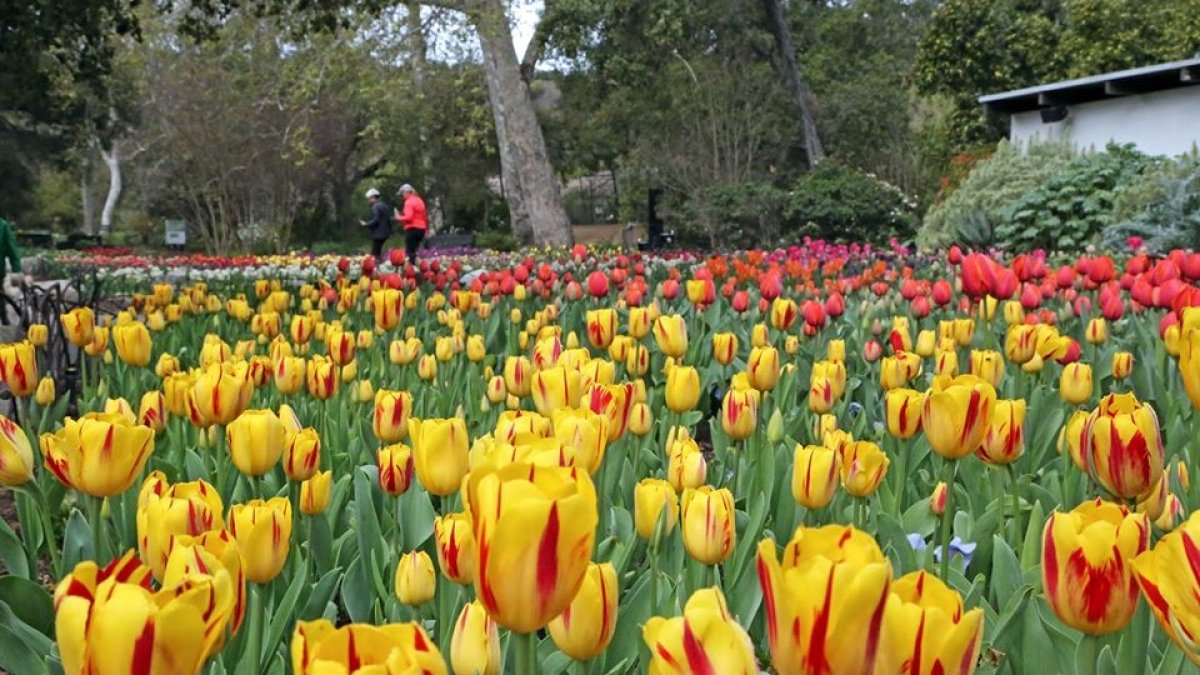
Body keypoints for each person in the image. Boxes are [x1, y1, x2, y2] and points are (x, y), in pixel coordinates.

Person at [394, 184, 427, 265]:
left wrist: (399, 217)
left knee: (410, 252)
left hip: (412, 229)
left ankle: (412, 270)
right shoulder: (419, 200)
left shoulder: (408, 202)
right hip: (421, 229)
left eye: (402, 194)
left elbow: (409, 217)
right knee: (415, 250)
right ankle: (420, 266)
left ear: (406, 192)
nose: (402, 196)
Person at [359, 188, 393, 263]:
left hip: (379, 233)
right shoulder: (384, 205)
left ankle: (376, 268)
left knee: (375, 253)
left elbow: (376, 220)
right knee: (378, 252)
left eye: (369, 199)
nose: (369, 201)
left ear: (373, 197)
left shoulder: (375, 206)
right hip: (386, 232)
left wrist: (366, 224)